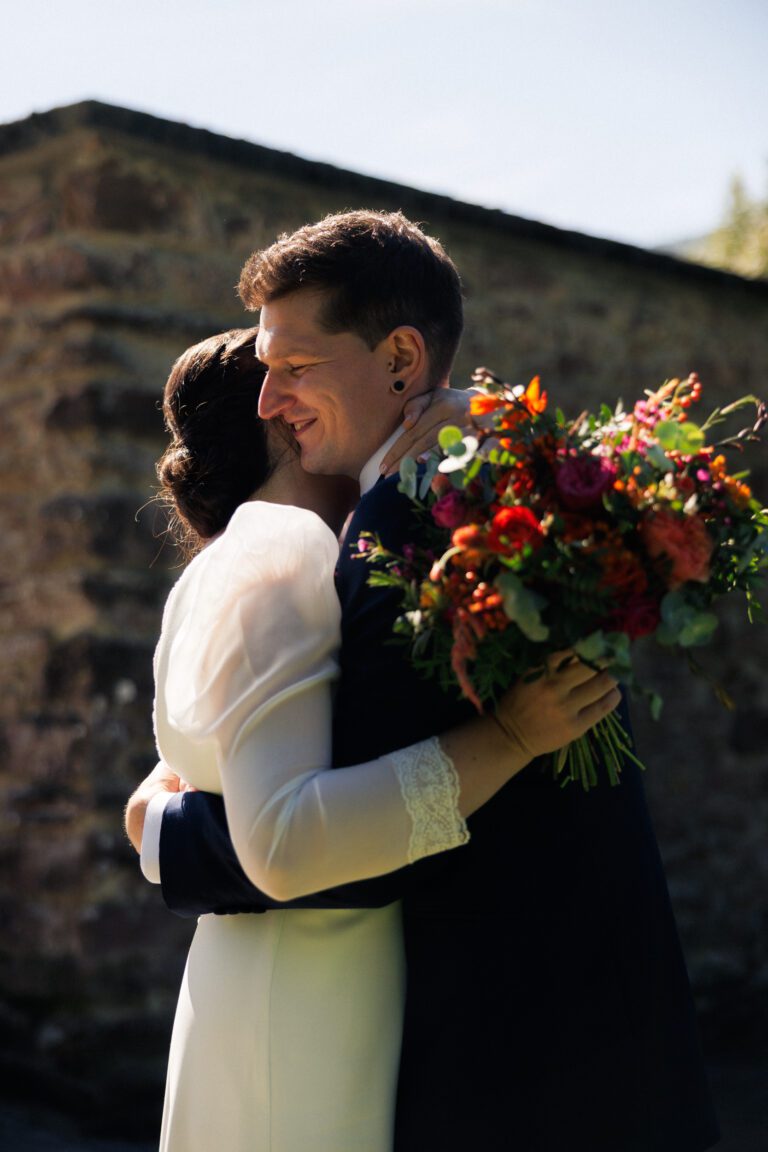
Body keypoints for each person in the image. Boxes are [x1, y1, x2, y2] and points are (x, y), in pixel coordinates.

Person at [128, 211, 719, 1151]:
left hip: (516, 1056)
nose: (267, 399)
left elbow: (323, 834)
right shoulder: (489, 497)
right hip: (585, 1032)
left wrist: (172, 829)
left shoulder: (408, 530)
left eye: (296, 367)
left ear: (401, 360)